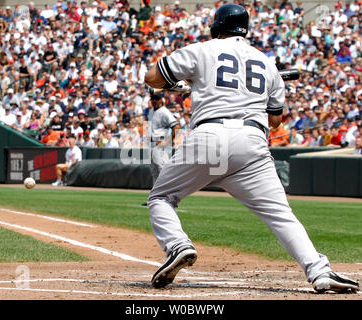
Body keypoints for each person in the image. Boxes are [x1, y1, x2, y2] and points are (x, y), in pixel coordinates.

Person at [144, 4, 359, 293]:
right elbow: (275, 120)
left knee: (161, 197)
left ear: (216, 26)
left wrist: (186, 83)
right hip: (252, 142)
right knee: (280, 213)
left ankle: (178, 245)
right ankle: (320, 271)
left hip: (211, 135)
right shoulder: (266, 62)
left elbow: (152, 78)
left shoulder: (202, 49)